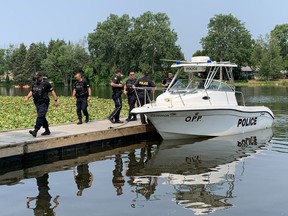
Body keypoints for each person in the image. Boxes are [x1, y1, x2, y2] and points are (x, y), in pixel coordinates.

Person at [24, 72, 58, 137]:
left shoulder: (46, 84)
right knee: (42, 117)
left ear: (41, 77)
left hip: (44, 102)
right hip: (37, 102)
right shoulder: (34, 84)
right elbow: (31, 91)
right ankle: (47, 130)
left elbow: (52, 91)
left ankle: (35, 130)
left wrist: (55, 100)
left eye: (38, 77)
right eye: (36, 78)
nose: (37, 79)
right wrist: (27, 97)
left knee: (40, 115)